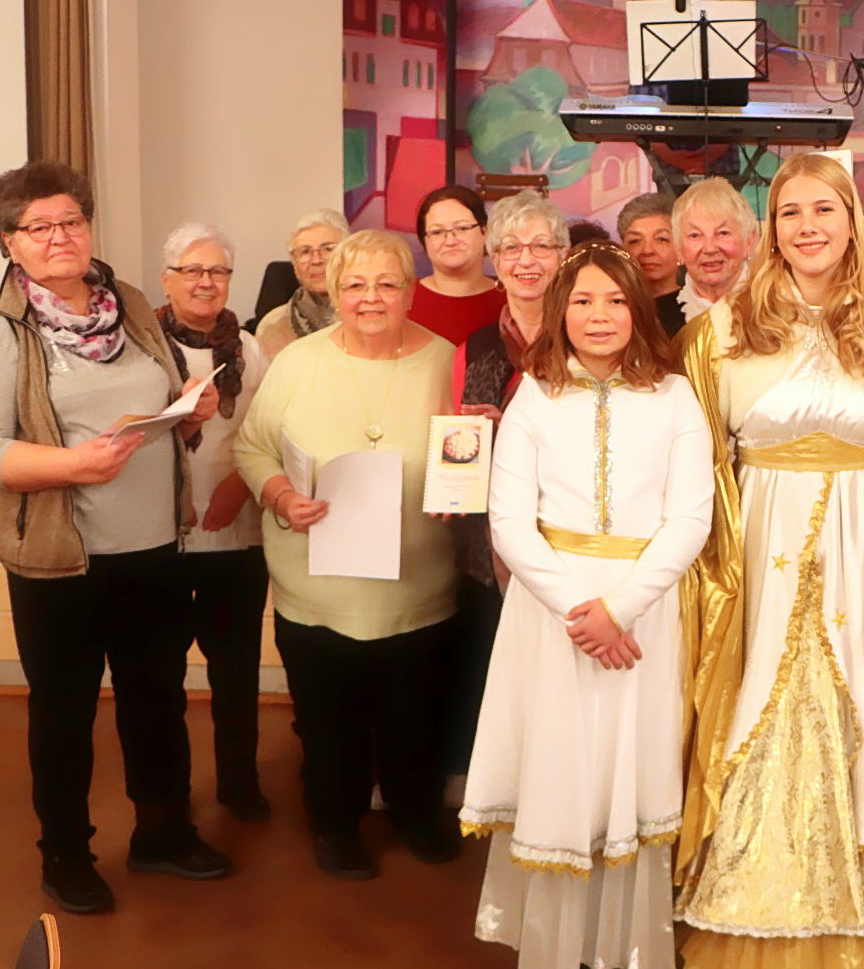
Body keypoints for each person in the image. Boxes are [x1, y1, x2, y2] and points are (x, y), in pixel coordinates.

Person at [675, 151, 864, 969]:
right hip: (753, 547)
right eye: (790, 213)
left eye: (823, 210)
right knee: (756, 702)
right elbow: (693, 466)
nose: (808, 228)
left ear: (851, 219)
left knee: (858, 709)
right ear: (770, 229)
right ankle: (736, 917)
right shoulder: (719, 330)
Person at [0, 160, 231, 914]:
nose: (59, 237)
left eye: (71, 221)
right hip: (60, 561)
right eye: (38, 227)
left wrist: (186, 412)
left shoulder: (131, 303)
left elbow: (156, 398)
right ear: (10, 243)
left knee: (157, 699)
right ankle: (67, 855)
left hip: (152, 552)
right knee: (64, 713)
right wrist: (73, 464)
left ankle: (163, 835)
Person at [461, 242, 713, 969]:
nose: (598, 317)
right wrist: (582, 611)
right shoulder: (535, 395)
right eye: (582, 302)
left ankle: (640, 947)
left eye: (614, 301)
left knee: (633, 768)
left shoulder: (674, 397)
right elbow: (509, 522)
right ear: (559, 311)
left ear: (639, 307)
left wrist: (622, 609)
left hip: (643, 612)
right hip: (553, 615)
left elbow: (690, 516)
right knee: (560, 765)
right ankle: (552, 948)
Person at [235, 229, 461, 880]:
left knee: (414, 720)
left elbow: (469, 450)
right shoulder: (298, 362)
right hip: (317, 590)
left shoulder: (445, 359)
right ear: (332, 292)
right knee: (329, 724)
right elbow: (252, 448)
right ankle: (334, 825)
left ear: (411, 292)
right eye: (354, 285)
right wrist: (279, 495)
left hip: (419, 588)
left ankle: (417, 814)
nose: (370, 297)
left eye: (387, 283)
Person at [443, 191, 569, 793]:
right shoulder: (474, 343)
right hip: (486, 538)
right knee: (494, 667)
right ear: (491, 257)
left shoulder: (588, 334)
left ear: (564, 256)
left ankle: (554, 787)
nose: (526, 260)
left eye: (542, 246)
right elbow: (452, 436)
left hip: (567, 532)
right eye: (511, 247)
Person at [157, 222, 273, 823]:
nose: (207, 283)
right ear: (167, 279)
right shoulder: (142, 344)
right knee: (160, 681)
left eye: (219, 272)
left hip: (236, 532)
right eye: (193, 271)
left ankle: (240, 784)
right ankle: (169, 798)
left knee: (236, 676)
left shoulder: (250, 348)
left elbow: (264, 430)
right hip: (163, 539)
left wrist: (237, 484)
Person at [407, 184, 505, 347]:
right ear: (425, 240)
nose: (450, 240)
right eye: (437, 232)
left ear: (484, 232)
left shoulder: (510, 300)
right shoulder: (403, 299)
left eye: (462, 228)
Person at [661, 177, 754, 335]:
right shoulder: (655, 319)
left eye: (723, 233)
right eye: (695, 235)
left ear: (749, 242)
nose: (710, 248)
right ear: (678, 250)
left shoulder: (777, 308)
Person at [258, 209, 349, 359]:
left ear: (348, 255)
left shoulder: (367, 315)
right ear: (294, 265)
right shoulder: (273, 327)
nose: (316, 260)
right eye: (305, 251)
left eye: (328, 249)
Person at [619, 191, 679, 305]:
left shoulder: (697, 312)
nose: (647, 250)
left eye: (661, 239)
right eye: (635, 241)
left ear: (681, 250)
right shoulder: (615, 309)